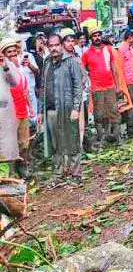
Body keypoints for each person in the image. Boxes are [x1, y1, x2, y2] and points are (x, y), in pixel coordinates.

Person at [39, 33, 83, 180]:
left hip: (68, 107)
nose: (54, 48)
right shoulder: (47, 62)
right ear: (48, 47)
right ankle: (58, 172)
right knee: (55, 143)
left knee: (72, 140)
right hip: (51, 109)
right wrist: (40, 111)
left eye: (56, 45)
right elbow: (43, 87)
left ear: (61, 45)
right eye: (51, 46)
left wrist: (76, 108)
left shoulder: (71, 61)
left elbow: (78, 86)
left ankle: (75, 173)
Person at [81, 27, 122, 147]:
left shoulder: (107, 50)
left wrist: (118, 85)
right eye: (94, 36)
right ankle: (101, 140)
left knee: (114, 112)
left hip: (110, 87)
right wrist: (86, 78)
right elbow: (81, 66)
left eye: (99, 35)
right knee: (99, 115)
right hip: (97, 89)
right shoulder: (86, 54)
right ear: (91, 38)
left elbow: (114, 68)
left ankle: (117, 138)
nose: (97, 38)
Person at [1, 38, 33, 178]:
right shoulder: (3, 69)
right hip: (9, 114)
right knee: (10, 144)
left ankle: (23, 168)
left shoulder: (21, 69)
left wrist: (30, 107)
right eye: (9, 52)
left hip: (22, 110)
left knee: (24, 142)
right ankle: (11, 173)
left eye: (15, 51)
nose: (13, 54)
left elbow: (25, 90)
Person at [0, 51, 21, 169]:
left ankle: (8, 173)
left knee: (8, 144)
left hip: (6, 110)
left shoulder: (7, 63)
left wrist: (5, 67)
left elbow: (15, 82)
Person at [118, 30, 133, 136]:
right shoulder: (122, 49)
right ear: (130, 37)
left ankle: (131, 126)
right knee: (130, 105)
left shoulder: (131, 49)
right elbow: (120, 66)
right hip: (128, 81)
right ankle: (130, 128)